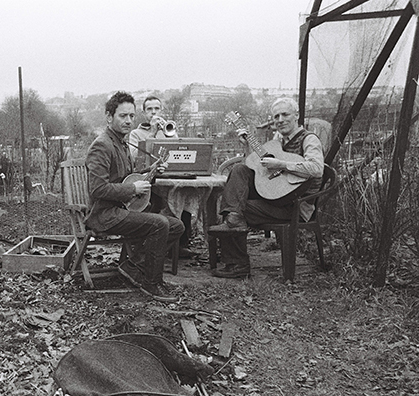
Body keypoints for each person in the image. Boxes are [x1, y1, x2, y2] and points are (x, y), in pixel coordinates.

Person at [208, 97, 324, 278]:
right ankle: (233, 222)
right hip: (275, 195)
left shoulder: (309, 139)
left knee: (237, 209)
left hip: (296, 205)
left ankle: (238, 265)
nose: (280, 120)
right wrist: (247, 147)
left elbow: (317, 169)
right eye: (276, 116)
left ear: (297, 115)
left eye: (285, 114)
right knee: (239, 171)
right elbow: (256, 166)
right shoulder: (278, 139)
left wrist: (281, 164)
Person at [85, 91, 184, 301]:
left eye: (131, 116)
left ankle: (133, 265)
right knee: (160, 224)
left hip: (121, 209)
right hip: (105, 215)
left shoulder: (122, 142)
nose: (129, 120)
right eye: (123, 116)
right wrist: (133, 190)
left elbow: (127, 178)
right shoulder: (102, 145)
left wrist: (153, 171)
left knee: (177, 226)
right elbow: (97, 189)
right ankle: (151, 284)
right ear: (109, 117)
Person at [128, 95, 196, 258]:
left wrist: (170, 135)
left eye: (156, 109)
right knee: (161, 203)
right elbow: (134, 159)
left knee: (182, 196)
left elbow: (180, 151)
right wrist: (151, 132)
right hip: (149, 181)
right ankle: (159, 244)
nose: (153, 112)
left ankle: (180, 244)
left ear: (161, 110)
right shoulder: (135, 134)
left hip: (170, 176)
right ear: (144, 113)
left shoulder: (168, 129)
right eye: (149, 109)